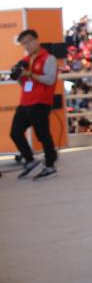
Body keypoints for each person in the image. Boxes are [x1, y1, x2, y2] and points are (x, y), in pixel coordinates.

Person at [10, 29, 59, 180]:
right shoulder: (25, 61)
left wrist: (30, 74)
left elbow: (50, 80)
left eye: (29, 41)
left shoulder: (49, 58)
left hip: (41, 102)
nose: (28, 45)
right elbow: (23, 84)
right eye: (24, 43)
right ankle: (30, 161)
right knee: (15, 133)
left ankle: (50, 166)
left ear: (37, 40)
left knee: (43, 135)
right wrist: (19, 75)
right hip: (25, 102)